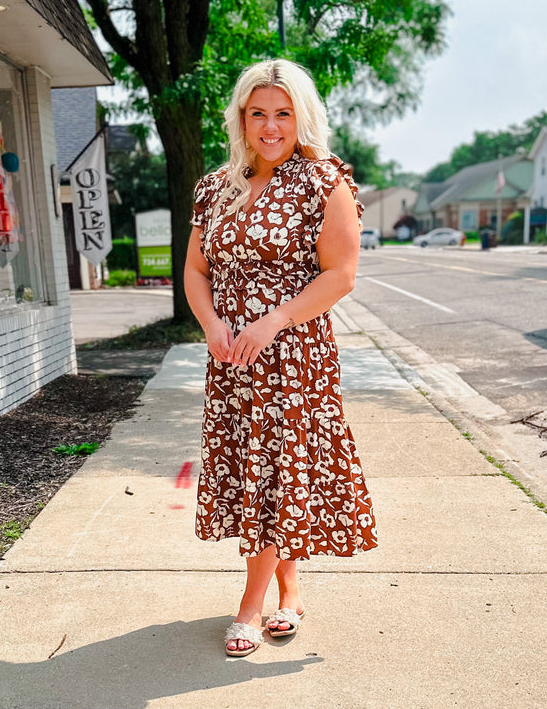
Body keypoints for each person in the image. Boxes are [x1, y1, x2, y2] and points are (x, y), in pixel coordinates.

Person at [184, 59, 378, 658]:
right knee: (263, 476)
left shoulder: (324, 182)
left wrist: (273, 320)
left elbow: (341, 274)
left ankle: (249, 607)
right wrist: (213, 323)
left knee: (277, 473)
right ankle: (289, 594)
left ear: (302, 117)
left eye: (283, 113)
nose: (270, 126)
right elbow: (195, 270)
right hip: (233, 361)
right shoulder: (215, 187)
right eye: (259, 113)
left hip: (294, 357)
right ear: (242, 118)